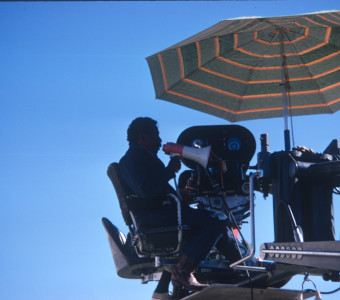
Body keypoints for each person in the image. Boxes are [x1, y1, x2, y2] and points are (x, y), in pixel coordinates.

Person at [119, 117, 241, 299]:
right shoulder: (132, 159)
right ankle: (183, 272)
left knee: (220, 223)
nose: (159, 140)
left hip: (161, 215)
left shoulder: (141, 158)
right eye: (155, 135)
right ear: (141, 137)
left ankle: (242, 269)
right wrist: (169, 171)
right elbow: (146, 189)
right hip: (156, 219)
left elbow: (154, 189)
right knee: (217, 220)